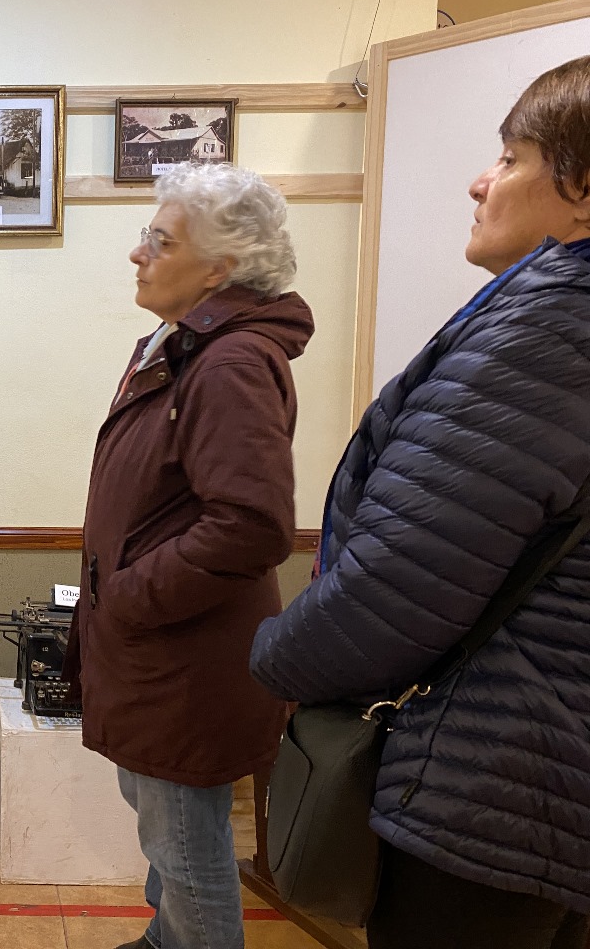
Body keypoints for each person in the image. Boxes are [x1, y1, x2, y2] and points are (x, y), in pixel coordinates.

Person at [250, 56, 590, 949]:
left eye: (512, 157)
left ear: (584, 188)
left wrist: (276, 660)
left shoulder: (546, 332)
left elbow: (394, 588)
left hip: (494, 789)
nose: (482, 181)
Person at [62, 163, 313, 949]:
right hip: (157, 651)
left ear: (218, 269)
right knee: (162, 835)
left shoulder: (229, 362)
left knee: (188, 849)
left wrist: (131, 597)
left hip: (182, 657)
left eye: (158, 240)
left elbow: (251, 523)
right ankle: (164, 940)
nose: (138, 253)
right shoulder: (182, 345)